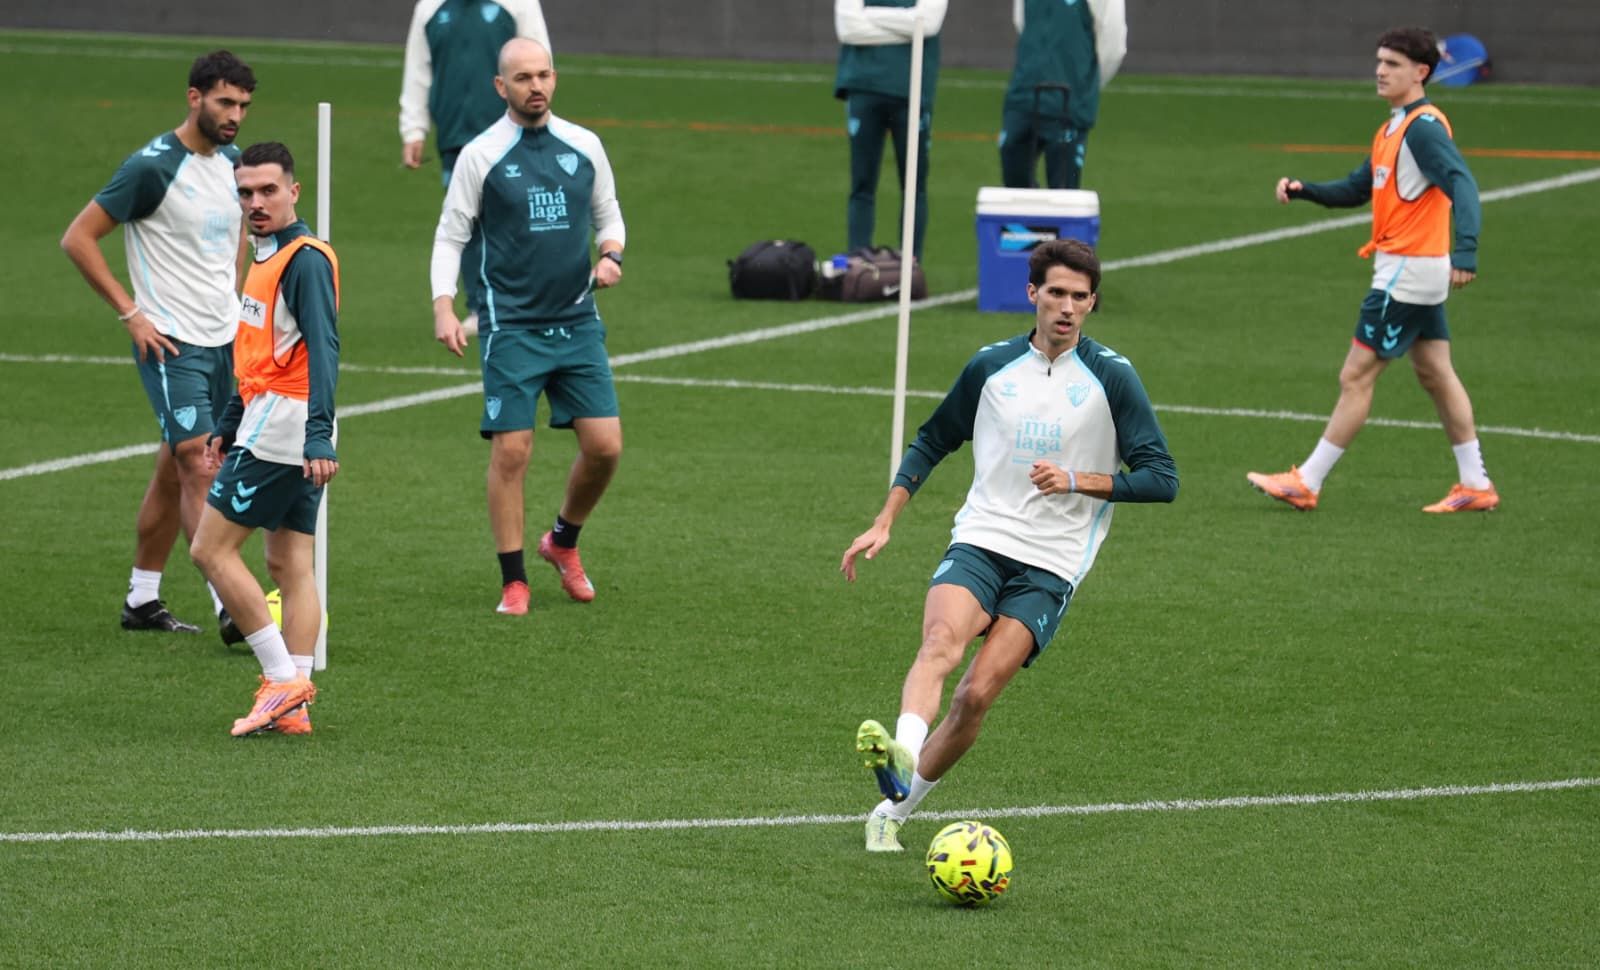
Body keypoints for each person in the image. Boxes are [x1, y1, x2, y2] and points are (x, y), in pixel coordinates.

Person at [840, 239, 1178, 852]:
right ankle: (899, 759)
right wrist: (886, 517)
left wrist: (1078, 479)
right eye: (1056, 293)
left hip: (1052, 563)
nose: (1067, 307)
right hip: (982, 536)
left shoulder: (1112, 378)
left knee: (974, 695)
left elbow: (1163, 478)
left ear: (1093, 303)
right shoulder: (991, 367)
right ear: (1033, 295)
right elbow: (932, 439)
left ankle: (896, 807)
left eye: (1080, 297)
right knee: (940, 643)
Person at [1247, 26, 1496, 514]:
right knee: (1435, 372)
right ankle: (1476, 483)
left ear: (1421, 72)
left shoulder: (1422, 128)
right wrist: (1305, 190)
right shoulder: (1392, 129)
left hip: (1406, 272)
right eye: (1380, 61)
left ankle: (1307, 480)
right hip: (1414, 271)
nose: (1380, 71)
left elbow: (1462, 183)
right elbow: (1358, 187)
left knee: (1356, 375)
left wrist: (1466, 249)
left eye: (1393, 64)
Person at [60, 50, 256, 639]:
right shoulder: (152, 167)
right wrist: (132, 314)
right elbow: (79, 238)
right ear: (194, 97)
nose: (235, 116)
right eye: (225, 102)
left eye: (243, 105)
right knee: (200, 460)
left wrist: (244, 303)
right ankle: (232, 604)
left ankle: (142, 600)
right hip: (172, 342)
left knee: (175, 468)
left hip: (225, 337)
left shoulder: (235, 164)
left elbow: (243, 234)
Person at [430, 37, 626, 616]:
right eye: (522, 78)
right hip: (509, 324)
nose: (534, 86)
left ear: (555, 79)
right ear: (501, 87)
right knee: (512, 451)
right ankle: (514, 580)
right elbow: (452, 233)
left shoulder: (584, 145)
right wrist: (445, 305)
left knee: (606, 447)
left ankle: (562, 542)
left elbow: (608, 214)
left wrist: (611, 254)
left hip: (576, 320)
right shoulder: (481, 155)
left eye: (543, 75)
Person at [189, 141, 341, 737]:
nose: (256, 202)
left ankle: (281, 679)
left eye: (268, 190)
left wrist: (318, 435)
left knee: (210, 549)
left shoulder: (303, 259)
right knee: (289, 561)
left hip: (287, 425)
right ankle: (295, 707)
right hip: (271, 417)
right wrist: (228, 423)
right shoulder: (264, 255)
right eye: (246, 191)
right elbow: (255, 353)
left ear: (294, 191)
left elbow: (323, 350)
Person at [402, 0, 551, 338]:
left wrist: (539, 121)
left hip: (512, 132)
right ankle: (480, 307)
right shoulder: (430, 7)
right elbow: (418, 68)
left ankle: (528, 301)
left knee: (520, 217)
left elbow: (541, 60)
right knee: (465, 220)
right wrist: (413, 128)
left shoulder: (518, 4)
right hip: (455, 134)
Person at [834, 0, 948, 260]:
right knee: (861, 182)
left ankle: (911, 263)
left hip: (912, 86)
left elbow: (927, 23)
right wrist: (906, 24)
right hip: (863, 85)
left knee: (913, 183)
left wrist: (870, 15)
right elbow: (848, 27)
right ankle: (858, 262)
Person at [999, 0, 1127, 190]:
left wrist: (1086, 83)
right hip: (1024, 94)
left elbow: (1113, 44)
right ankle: (1032, 219)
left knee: (1064, 193)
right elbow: (1022, 22)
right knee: (1014, 180)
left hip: (1069, 102)